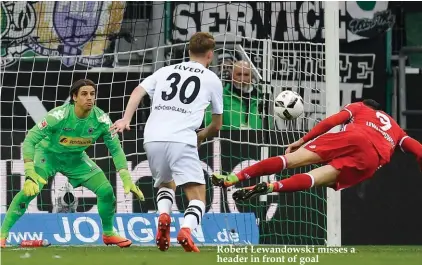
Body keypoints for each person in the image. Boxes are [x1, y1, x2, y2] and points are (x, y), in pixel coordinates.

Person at [110, 32, 223, 252]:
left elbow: (137, 91)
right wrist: (201, 135)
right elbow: (217, 125)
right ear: (210, 55)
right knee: (198, 196)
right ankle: (187, 230)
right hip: (182, 138)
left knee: (165, 183)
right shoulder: (212, 79)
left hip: (152, 137)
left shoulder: (165, 71)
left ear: (189, 51)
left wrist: (126, 119)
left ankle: (163, 215)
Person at [0, 79, 145, 248]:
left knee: (106, 191)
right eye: (84, 94)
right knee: (29, 191)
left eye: (92, 94)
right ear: (74, 97)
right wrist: (29, 170)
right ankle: (2, 234)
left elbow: (116, 150)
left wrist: (126, 176)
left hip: (75, 159)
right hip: (48, 155)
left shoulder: (102, 119)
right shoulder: (58, 116)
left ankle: (108, 233)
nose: (89, 98)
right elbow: (30, 139)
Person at [212, 99, 422, 201]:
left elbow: (332, 121)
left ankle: (234, 178)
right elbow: (419, 151)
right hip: (372, 159)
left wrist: (302, 139)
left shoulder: (360, 107)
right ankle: (272, 186)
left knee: (289, 160)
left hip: (354, 137)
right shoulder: (396, 129)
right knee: (315, 178)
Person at [204, 60, 264, 130]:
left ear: (252, 77)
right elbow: (209, 123)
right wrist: (234, 135)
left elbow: (269, 126)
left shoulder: (261, 98)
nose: (242, 79)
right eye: (239, 74)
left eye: (246, 75)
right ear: (232, 75)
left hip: (257, 140)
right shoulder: (219, 96)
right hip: (226, 140)